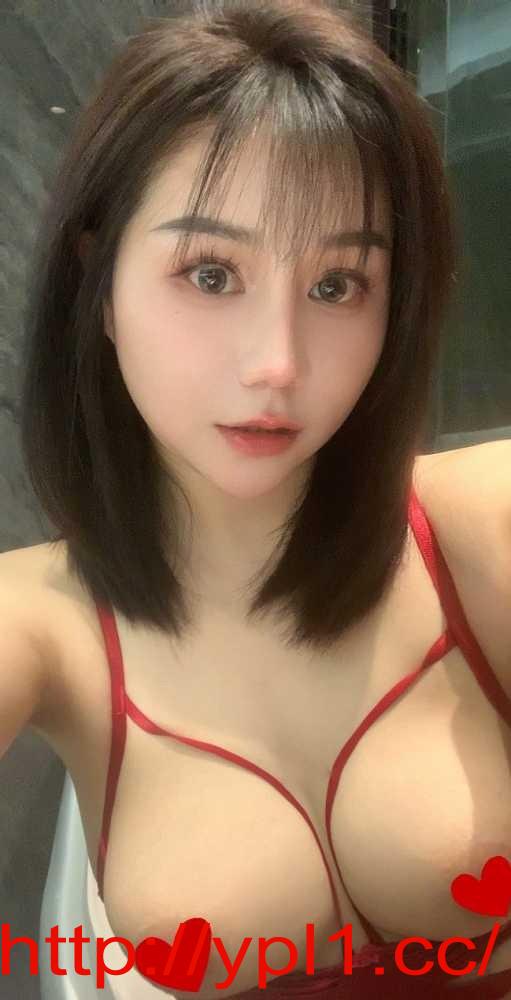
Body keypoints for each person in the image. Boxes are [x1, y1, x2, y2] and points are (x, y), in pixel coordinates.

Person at [3, 0, 510, 996]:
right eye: (209, 273)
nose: (277, 362)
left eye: (337, 285)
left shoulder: (479, 522)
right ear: (99, 283)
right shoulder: (40, 622)